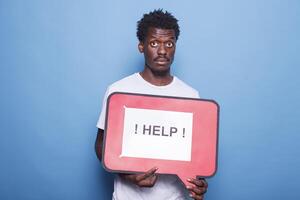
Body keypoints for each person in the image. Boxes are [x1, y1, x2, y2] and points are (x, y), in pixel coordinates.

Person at [95, 9, 208, 200]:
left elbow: (195, 153)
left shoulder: (190, 95)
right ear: (141, 46)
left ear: (175, 46)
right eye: (154, 43)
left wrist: (199, 182)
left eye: (169, 44)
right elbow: (101, 145)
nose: (162, 51)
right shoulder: (118, 90)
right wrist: (127, 175)